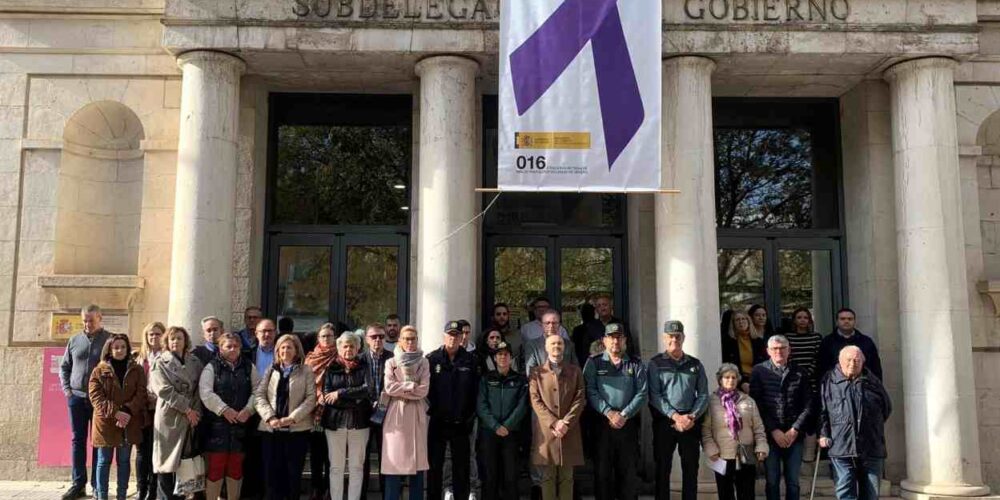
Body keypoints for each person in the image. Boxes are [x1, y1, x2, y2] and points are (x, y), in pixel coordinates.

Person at [582, 323, 648, 500]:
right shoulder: (594, 363)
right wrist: (609, 412)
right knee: (602, 472)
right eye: (611, 337)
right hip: (602, 424)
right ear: (604, 340)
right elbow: (590, 390)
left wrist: (624, 414)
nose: (615, 341)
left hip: (627, 425)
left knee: (628, 473)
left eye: (619, 337)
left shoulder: (635, 363)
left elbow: (642, 393)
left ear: (625, 340)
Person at [647, 320, 709, 500]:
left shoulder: (695, 364)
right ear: (664, 338)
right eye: (671, 336)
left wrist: (691, 416)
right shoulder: (655, 363)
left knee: (691, 468)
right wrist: (675, 416)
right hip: (664, 422)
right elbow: (654, 395)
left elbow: (703, 394)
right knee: (662, 467)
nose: (674, 339)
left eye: (678, 336)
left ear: (683, 338)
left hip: (690, 422)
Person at [819, 346, 891, 500]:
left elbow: (886, 408)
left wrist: (870, 426)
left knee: (871, 494)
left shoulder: (873, 382)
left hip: (871, 446)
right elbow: (822, 411)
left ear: (863, 362)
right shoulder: (828, 382)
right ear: (840, 361)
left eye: (857, 360)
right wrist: (824, 433)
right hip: (841, 446)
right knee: (845, 492)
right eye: (849, 360)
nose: (853, 363)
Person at [255, 333, 317, 500]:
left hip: (297, 431)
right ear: (277, 351)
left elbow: (311, 398)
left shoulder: (306, 371)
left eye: (289, 347)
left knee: (293, 475)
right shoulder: (271, 370)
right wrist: (270, 417)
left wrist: (292, 418)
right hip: (271, 430)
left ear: (297, 350)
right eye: (282, 347)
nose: (285, 350)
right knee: (271, 475)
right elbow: (259, 395)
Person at [750, 335, 812, 500]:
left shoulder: (800, 372)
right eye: (775, 348)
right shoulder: (759, 371)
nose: (779, 351)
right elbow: (757, 404)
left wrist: (795, 429)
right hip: (770, 435)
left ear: (789, 350)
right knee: (772, 480)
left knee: (793, 481)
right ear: (768, 351)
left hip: (794, 435)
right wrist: (774, 430)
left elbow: (808, 404)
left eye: (783, 348)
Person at [199, 332, 259, 500]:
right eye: (228, 346)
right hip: (217, 428)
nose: (233, 349)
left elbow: (258, 391)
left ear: (240, 348)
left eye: (236, 346)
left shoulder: (249, 367)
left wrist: (249, 409)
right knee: (215, 469)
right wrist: (224, 409)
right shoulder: (211, 367)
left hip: (241, 428)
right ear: (221, 348)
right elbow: (206, 393)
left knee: (235, 469)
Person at [60, 304, 111, 500]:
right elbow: (65, 367)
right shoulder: (74, 340)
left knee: (99, 442)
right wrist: (68, 391)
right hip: (77, 398)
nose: (87, 324)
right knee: (78, 440)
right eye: (84, 320)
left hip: (100, 401)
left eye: (91, 320)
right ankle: (78, 484)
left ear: (100, 318)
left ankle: (97, 485)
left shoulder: (110, 340)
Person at [426, 321, 480, 500]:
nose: (453, 338)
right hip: (438, 421)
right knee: (435, 466)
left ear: (461, 337)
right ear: (444, 336)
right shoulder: (432, 359)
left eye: (456, 335)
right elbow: (427, 390)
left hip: (461, 423)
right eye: (450, 334)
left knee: (461, 468)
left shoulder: (471, 360)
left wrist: (470, 416)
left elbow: (476, 391)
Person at [89, 333, 147, 500]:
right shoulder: (99, 370)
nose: (119, 350)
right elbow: (96, 397)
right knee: (103, 461)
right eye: (116, 347)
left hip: (128, 422)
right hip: (106, 423)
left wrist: (128, 411)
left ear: (127, 348)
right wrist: (116, 412)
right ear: (109, 350)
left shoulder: (136, 369)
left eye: (123, 347)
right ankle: (102, 495)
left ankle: (122, 495)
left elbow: (141, 392)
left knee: (124, 461)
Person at [150, 326, 204, 499]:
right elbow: (163, 390)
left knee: (186, 460)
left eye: (179, 338)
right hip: (170, 415)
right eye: (172, 338)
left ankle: (183, 495)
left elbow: (199, 388)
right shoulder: (159, 362)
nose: (175, 342)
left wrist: (195, 411)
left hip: (191, 417)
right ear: (166, 341)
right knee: (166, 462)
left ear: (185, 341)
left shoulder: (195, 362)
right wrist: (187, 409)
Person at [528, 334, 584, 500]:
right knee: (547, 478)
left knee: (567, 478)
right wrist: (554, 423)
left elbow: (580, 397)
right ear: (545, 347)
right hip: (547, 432)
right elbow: (535, 400)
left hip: (569, 430)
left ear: (564, 347)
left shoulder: (575, 371)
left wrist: (566, 422)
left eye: (559, 343)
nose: (556, 346)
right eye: (552, 343)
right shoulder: (536, 373)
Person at [702, 363, 769, 500]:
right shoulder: (711, 401)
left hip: (745, 454)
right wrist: (710, 448)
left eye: (733, 377)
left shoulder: (748, 401)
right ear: (720, 379)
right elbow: (705, 429)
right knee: (725, 494)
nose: (730, 380)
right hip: (721, 455)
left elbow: (758, 428)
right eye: (726, 377)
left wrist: (761, 446)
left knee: (747, 494)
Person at [321, 332, 372, 500]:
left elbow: (367, 390)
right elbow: (328, 396)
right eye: (345, 346)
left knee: (357, 467)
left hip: (360, 424)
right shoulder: (331, 368)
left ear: (358, 348)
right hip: (335, 423)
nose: (348, 349)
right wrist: (354, 399)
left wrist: (341, 393)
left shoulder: (364, 367)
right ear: (339, 348)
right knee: (336, 467)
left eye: (352, 346)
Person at [382, 325, 430, 500]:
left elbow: (424, 390)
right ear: (400, 340)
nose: (410, 342)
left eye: (413, 339)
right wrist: (411, 386)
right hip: (396, 414)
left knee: (417, 467)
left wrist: (401, 388)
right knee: (393, 465)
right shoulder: (391, 362)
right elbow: (389, 388)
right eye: (407, 339)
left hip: (417, 414)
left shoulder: (424, 362)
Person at [476, 341, 528, 500]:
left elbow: (522, 406)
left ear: (511, 357)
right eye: (499, 354)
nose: (503, 357)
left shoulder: (519, 380)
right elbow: (481, 405)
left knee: (511, 477)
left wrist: (507, 426)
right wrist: (495, 426)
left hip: (511, 434)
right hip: (489, 433)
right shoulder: (486, 379)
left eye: (506, 354)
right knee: (490, 476)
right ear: (494, 357)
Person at [243, 318, 277, 499]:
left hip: (274, 410)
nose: (267, 334)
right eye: (263, 331)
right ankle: (252, 492)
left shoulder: (282, 353)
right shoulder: (247, 354)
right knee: (251, 454)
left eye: (270, 331)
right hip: (250, 408)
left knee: (270, 456)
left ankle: (268, 492)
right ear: (255, 334)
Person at [304, 323, 338, 500]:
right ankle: (316, 488)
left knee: (331, 455)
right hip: (313, 411)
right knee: (316, 453)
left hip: (334, 411)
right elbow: (306, 383)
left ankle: (329, 489)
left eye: (330, 336)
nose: (326, 339)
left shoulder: (339, 356)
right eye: (323, 336)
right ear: (318, 339)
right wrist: (317, 395)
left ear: (335, 338)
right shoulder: (310, 358)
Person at [362, 323, 395, 496]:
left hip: (387, 415)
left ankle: (386, 494)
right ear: (367, 339)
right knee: (363, 459)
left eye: (381, 337)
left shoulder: (392, 357)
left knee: (386, 458)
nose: (378, 340)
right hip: (364, 415)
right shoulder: (360, 359)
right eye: (374, 337)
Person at [135, 322, 165, 500]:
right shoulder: (139, 357)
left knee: (156, 450)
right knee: (141, 451)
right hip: (142, 410)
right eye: (151, 334)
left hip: (160, 409)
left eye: (158, 334)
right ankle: (141, 489)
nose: (154, 337)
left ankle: (153, 490)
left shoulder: (167, 357)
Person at [818, 308, 883, 382]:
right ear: (837, 322)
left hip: (862, 386)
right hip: (835, 387)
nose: (846, 321)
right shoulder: (827, 342)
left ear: (854, 321)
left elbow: (875, 368)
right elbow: (821, 368)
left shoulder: (866, 342)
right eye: (842, 319)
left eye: (850, 319)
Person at [721, 310, 767, 391]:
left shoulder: (758, 341)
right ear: (733, 324)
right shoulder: (728, 343)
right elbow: (727, 365)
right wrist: (741, 383)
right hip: (737, 382)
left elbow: (765, 363)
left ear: (749, 321)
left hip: (758, 380)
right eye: (737, 320)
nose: (741, 322)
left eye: (743, 319)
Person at [785, 308, 823, 391]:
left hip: (812, 379)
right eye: (799, 317)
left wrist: (808, 373)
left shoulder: (816, 337)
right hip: (793, 377)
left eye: (806, 318)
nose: (802, 320)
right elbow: (787, 357)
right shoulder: (788, 337)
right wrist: (797, 373)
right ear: (794, 320)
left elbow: (818, 357)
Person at [593, 294, 639, 358]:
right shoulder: (590, 327)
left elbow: (629, 347)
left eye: (605, 305)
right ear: (596, 310)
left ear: (611, 307)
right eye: (599, 306)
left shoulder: (621, 324)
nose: (602, 308)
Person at [571, 303, 603, 368]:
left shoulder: (599, 327)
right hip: (584, 362)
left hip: (593, 361)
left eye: (583, 313)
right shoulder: (600, 326)